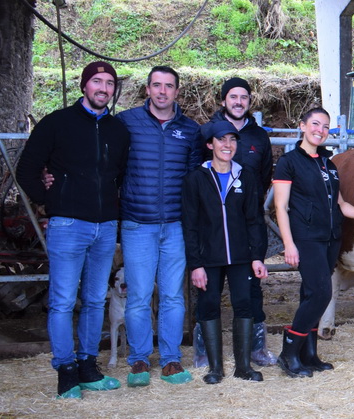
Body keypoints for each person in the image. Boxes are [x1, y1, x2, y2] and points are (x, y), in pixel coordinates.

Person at [16, 61, 129, 399]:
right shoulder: (56, 123)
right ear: (84, 86)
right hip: (68, 224)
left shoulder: (117, 130)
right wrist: (51, 199)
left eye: (109, 83)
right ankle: (65, 371)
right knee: (64, 300)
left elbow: (118, 176)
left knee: (95, 299)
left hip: (105, 226)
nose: (103, 88)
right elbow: (27, 171)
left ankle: (88, 365)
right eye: (97, 81)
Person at [273, 107, 354, 378]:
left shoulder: (328, 164)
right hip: (306, 238)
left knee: (311, 294)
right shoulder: (290, 162)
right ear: (303, 126)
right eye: (315, 124)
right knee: (321, 294)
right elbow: (280, 207)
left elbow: (341, 204)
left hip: (330, 238)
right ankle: (288, 353)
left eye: (325, 126)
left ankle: (309, 355)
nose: (320, 130)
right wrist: (289, 243)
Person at [117, 65, 203, 386]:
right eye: (157, 85)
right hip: (138, 223)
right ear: (148, 89)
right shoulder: (126, 123)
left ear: (177, 92)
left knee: (172, 296)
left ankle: (170, 359)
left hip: (176, 225)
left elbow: (195, 180)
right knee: (139, 295)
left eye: (169, 86)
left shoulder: (190, 130)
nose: (162, 91)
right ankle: (139, 359)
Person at [193, 77, 278, 370]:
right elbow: (196, 176)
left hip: (247, 225)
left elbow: (264, 177)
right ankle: (204, 352)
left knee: (251, 292)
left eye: (244, 97)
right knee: (207, 293)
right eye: (233, 97)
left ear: (249, 101)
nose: (238, 101)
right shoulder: (206, 131)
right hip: (212, 228)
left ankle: (256, 349)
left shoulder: (259, 137)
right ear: (223, 101)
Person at [182, 120, 269, 384]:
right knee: (208, 305)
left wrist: (257, 256)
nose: (227, 145)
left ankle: (243, 366)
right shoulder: (196, 179)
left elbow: (254, 219)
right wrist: (195, 264)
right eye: (221, 140)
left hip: (242, 257)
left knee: (244, 304)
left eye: (232, 140)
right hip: (209, 258)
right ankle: (215, 368)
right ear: (210, 145)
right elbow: (190, 224)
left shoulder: (246, 177)